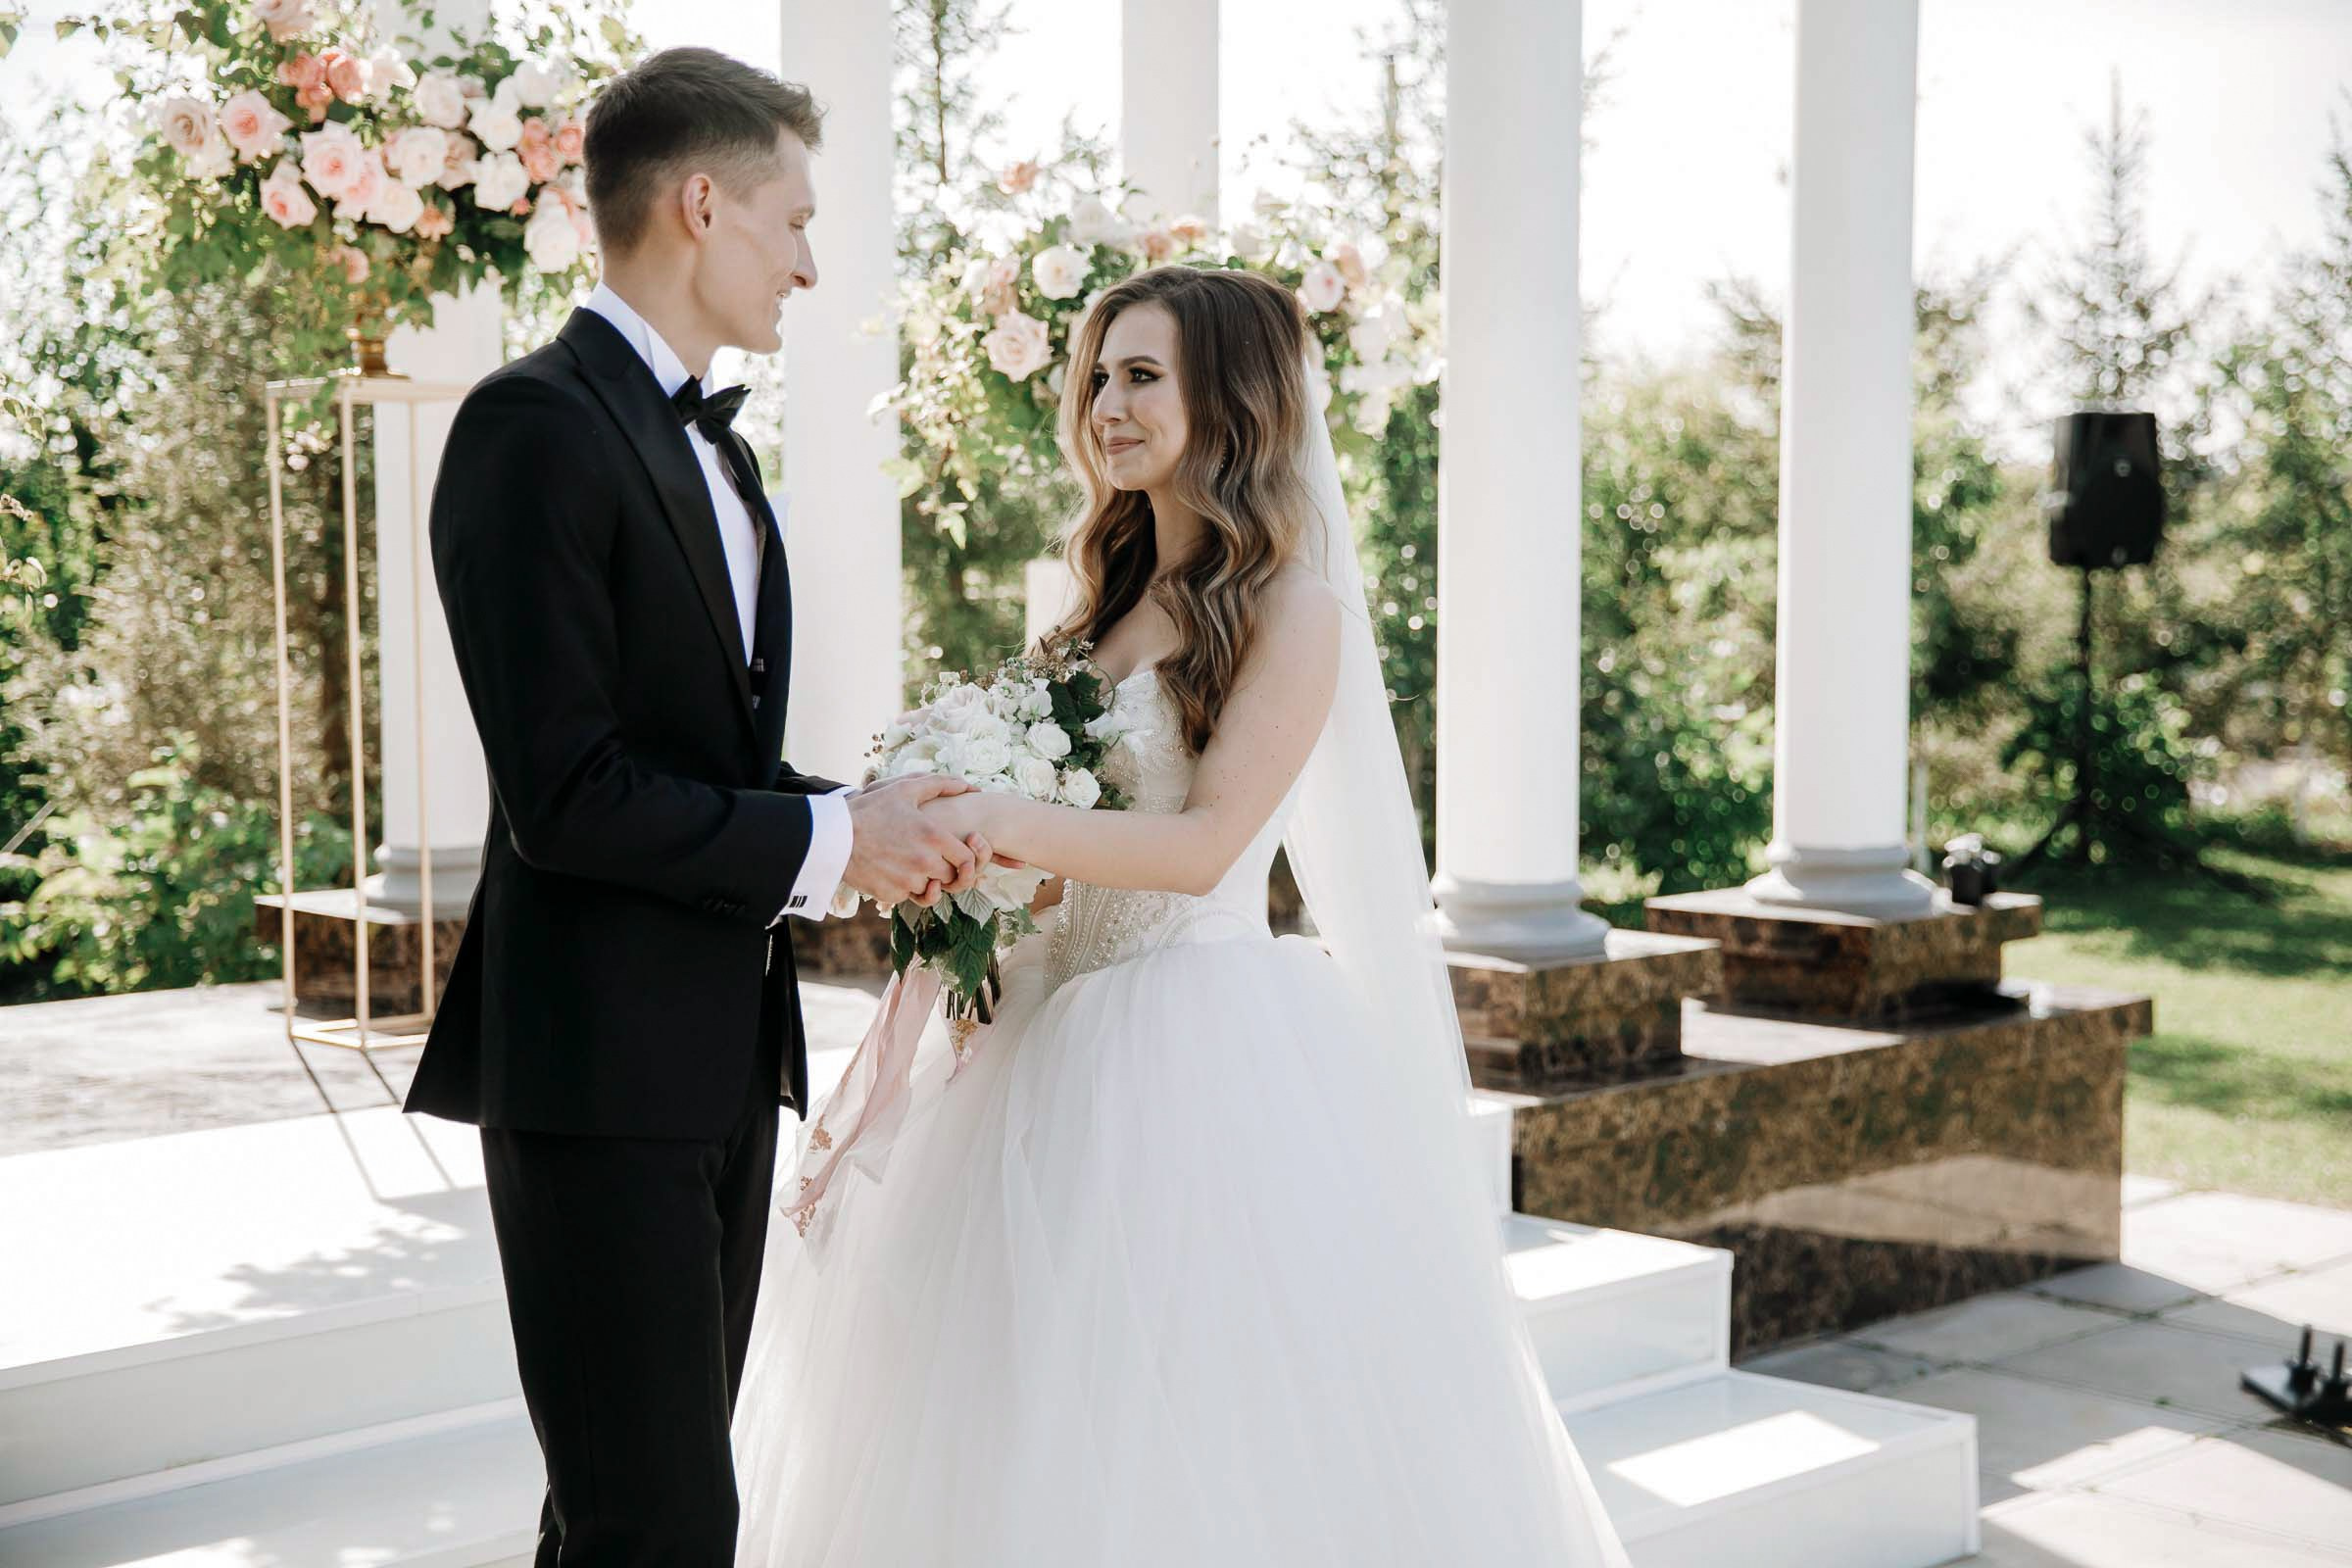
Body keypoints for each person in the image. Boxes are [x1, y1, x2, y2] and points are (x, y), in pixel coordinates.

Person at [729, 265, 1632, 1567]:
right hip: (1032, 1036)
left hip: (1191, 1048)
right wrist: (980, 900)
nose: (1106, 401)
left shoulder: (1293, 609)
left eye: (1142, 374)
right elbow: (1066, 846)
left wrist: (991, 819)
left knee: (1183, 1433)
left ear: (1234, 398)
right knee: (999, 1414)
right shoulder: (1090, 601)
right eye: (1098, 375)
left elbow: (1207, 846)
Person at [406, 47, 997, 1565]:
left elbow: (702, 759)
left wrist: (869, 815)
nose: (809, 261)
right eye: (792, 221)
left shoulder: (710, 450)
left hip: (717, 1065)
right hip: (595, 1074)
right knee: (659, 1527)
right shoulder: (531, 428)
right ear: (699, 203)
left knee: (624, 1519)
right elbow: (568, 794)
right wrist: (828, 844)